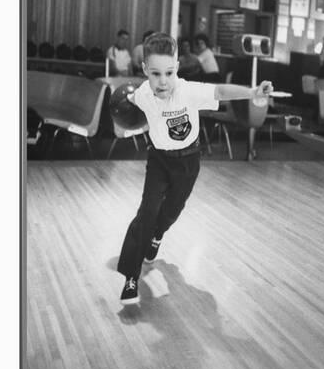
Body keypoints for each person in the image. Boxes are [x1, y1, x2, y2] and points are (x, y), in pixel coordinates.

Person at [117, 32, 273, 305]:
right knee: (147, 211)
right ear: (145, 71)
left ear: (176, 68)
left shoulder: (188, 90)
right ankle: (131, 276)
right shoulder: (142, 94)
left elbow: (221, 91)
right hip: (159, 161)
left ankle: (158, 235)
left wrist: (253, 92)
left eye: (168, 72)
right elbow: (124, 109)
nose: (162, 81)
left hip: (188, 161)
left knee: (171, 211)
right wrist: (119, 113)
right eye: (155, 74)